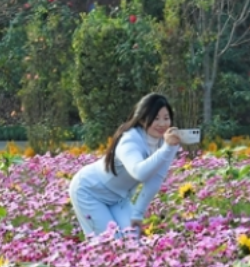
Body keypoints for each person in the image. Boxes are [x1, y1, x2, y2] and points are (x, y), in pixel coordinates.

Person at [69, 93, 182, 238]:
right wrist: (167, 148)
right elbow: (139, 172)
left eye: (166, 118)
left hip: (119, 198)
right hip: (90, 191)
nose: (162, 124)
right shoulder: (129, 139)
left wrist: (138, 214)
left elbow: (157, 178)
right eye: (156, 118)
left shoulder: (165, 142)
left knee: (133, 240)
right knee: (111, 242)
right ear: (142, 119)